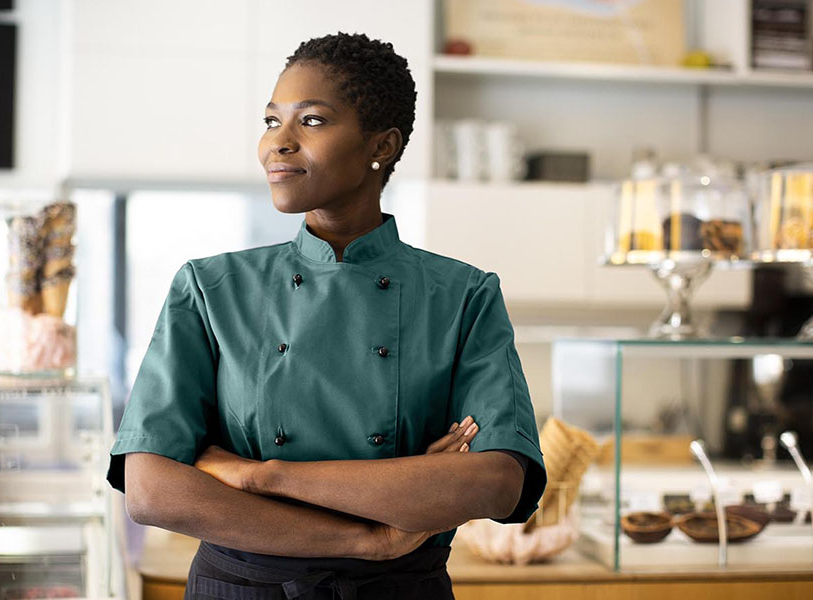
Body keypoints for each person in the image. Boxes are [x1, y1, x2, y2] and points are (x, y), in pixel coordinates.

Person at [106, 31, 546, 599]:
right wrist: (369, 536)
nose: (276, 145)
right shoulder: (211, 287)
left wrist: (263, 475)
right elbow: (151, 490)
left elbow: (496, 481)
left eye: (310, 121)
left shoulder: (463, 294)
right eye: (271, 121)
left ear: (381, 146)